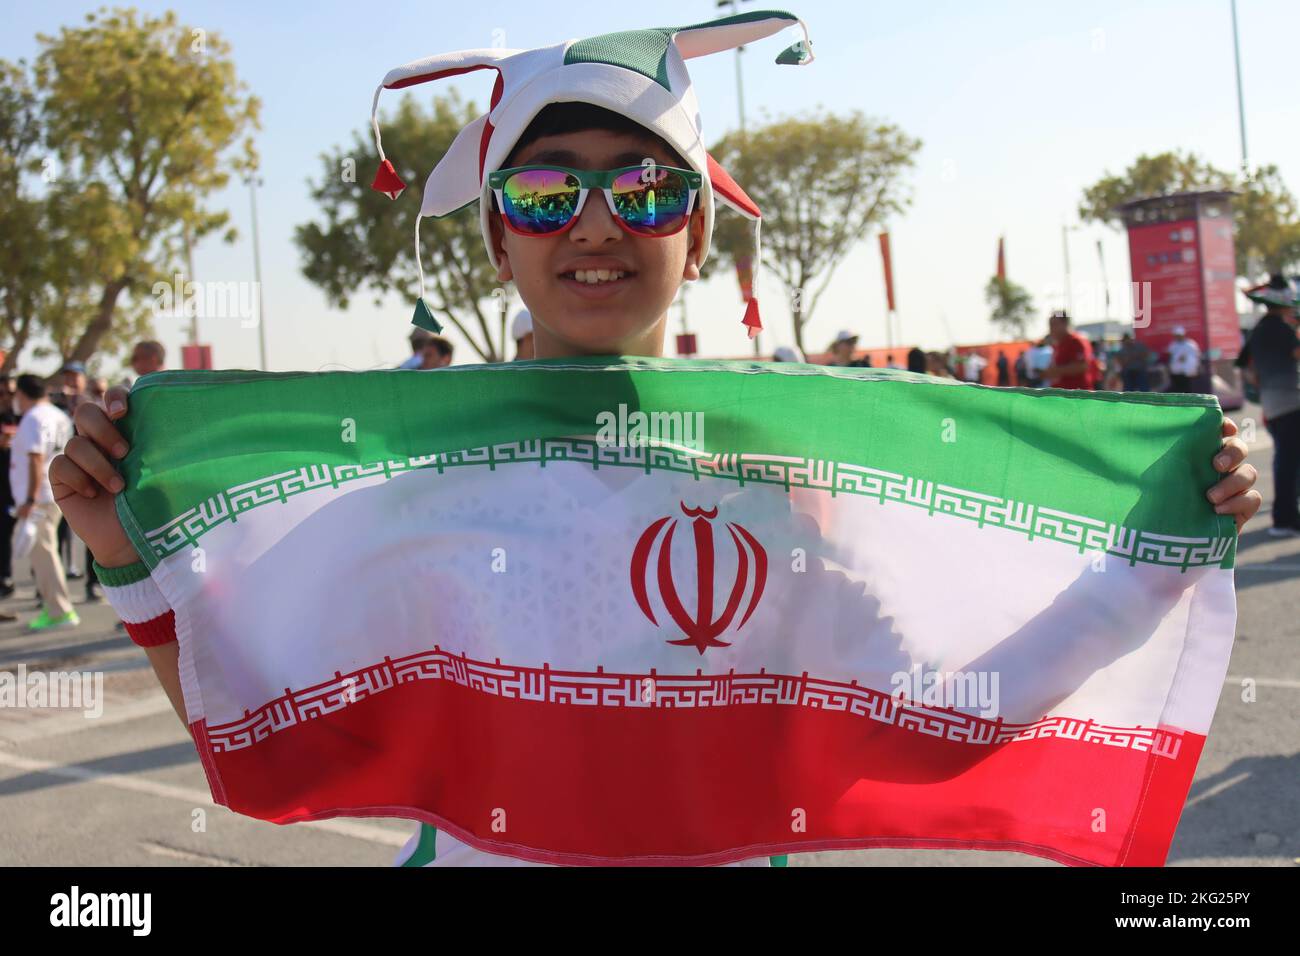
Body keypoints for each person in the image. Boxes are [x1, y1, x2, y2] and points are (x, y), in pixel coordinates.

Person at [48, 11, 1261, 868]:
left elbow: (942, 699)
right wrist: (118, 545)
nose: (593, 222)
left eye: (644, 188)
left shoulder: (791, 475)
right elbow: (269, 709)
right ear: (496, 239)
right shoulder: (415, 481)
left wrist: (1165, 524)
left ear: (695, 233)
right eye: (542, 190)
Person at [10, 374, 77, 631]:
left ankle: (59, 610)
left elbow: (36, 459)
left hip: (40, 497)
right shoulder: (57, 415)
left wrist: (30, 498)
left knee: (44, 554)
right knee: (45, 552)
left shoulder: (33, 418)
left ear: (23, 393)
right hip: (54, 491)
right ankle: (56, 608)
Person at [1236, 274, 1300, 536]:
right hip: (1290, 402)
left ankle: (1286, 516)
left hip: (1272, 404)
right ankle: (1285, 519)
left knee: (1286, 461)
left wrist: (1261, 385)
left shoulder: (1258, 330)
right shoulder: (1281, 328)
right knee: (1289, 463)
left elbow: (1243, 366)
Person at [1040, 311, 1096, 390]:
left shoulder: (1076, 341)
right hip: (1062, 396)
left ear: (1065, 324)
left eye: (1054, 324)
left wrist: (1056, 371)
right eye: (1050, 325)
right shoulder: (1057, 345)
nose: (1051, 328)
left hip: (1076, 395)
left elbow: (1082, 366)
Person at [1167, 325, 1202, 393]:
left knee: (1187, 389)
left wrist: (1195, 367)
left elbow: (1197, 356)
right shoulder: (1173, 345)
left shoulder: (1190, 344)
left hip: (1187, 372)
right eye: (1176, 335)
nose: (1178, 337)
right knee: (1177, 389)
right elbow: (1170, 357)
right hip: (1176, 372)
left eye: (1179, 335)